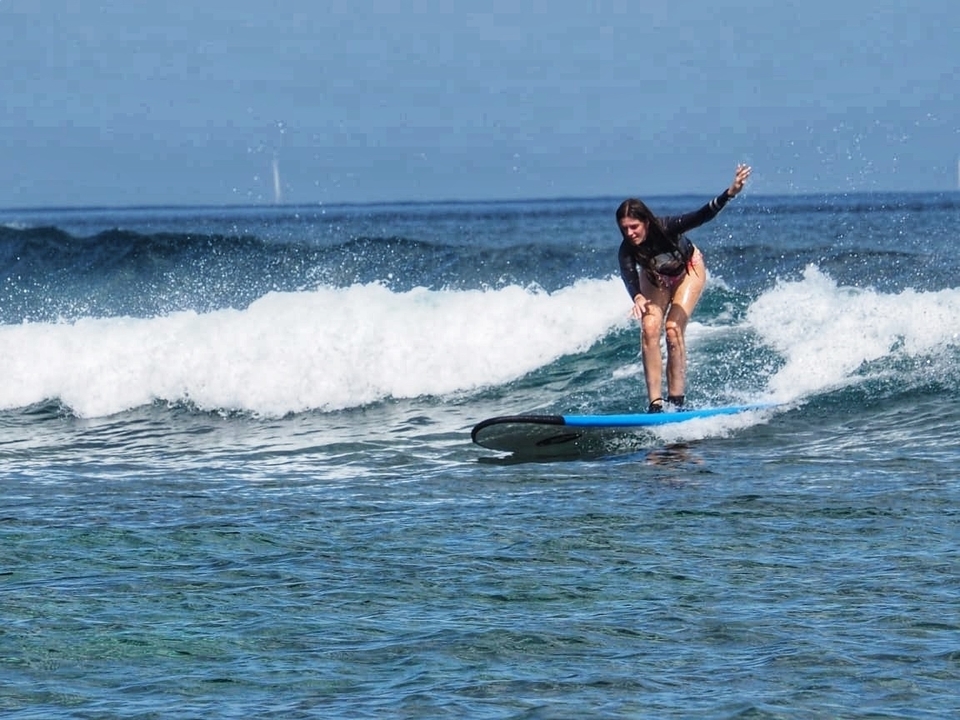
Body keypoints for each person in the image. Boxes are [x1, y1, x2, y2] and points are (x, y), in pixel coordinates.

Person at [617, 164, 751, 413]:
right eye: (624, 228)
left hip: (689, 270)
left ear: (646, 222)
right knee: (648, 328)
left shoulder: (667, 227)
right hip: (656, 277)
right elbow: (628, 273)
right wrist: (636, 295)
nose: (630, 232)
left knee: (672, 330)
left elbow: (701, 216)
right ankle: (655, 404)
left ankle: (677, 402)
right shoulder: (627, 248)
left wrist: (729, 193)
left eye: (634, 226)